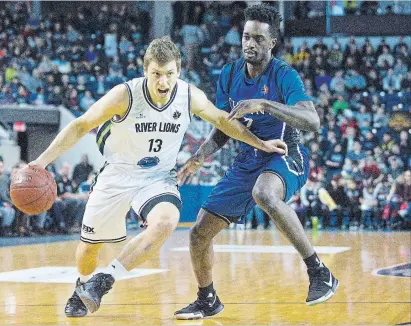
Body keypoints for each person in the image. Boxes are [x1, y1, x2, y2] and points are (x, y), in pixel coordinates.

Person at [29, 36, 287, 318]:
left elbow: (224, 121)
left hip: (157, 176)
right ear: (145, 71)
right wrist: (40, 163)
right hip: (117, 175)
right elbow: (80, 125)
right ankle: (82, 285)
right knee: (89, 249)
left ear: (179, 70)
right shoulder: (124, 95)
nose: (163, 82)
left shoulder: (189, 95)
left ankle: (103, 281)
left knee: (166, 221)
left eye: (169, 74)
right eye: (156, 75)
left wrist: (261, 144)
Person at [174, 4, 339, 320]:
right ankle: (207, 299)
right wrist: (198, 157)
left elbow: (312, 120)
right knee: (198, 234)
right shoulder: (230, 74)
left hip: (282, 156)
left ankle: (319, 272)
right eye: (246, 37)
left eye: (258, 39)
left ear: (271, 42)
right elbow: (224, 128)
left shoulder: (283, 75)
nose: (250, 43)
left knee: (264, 194)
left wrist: (265, 104)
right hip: (245, 161)